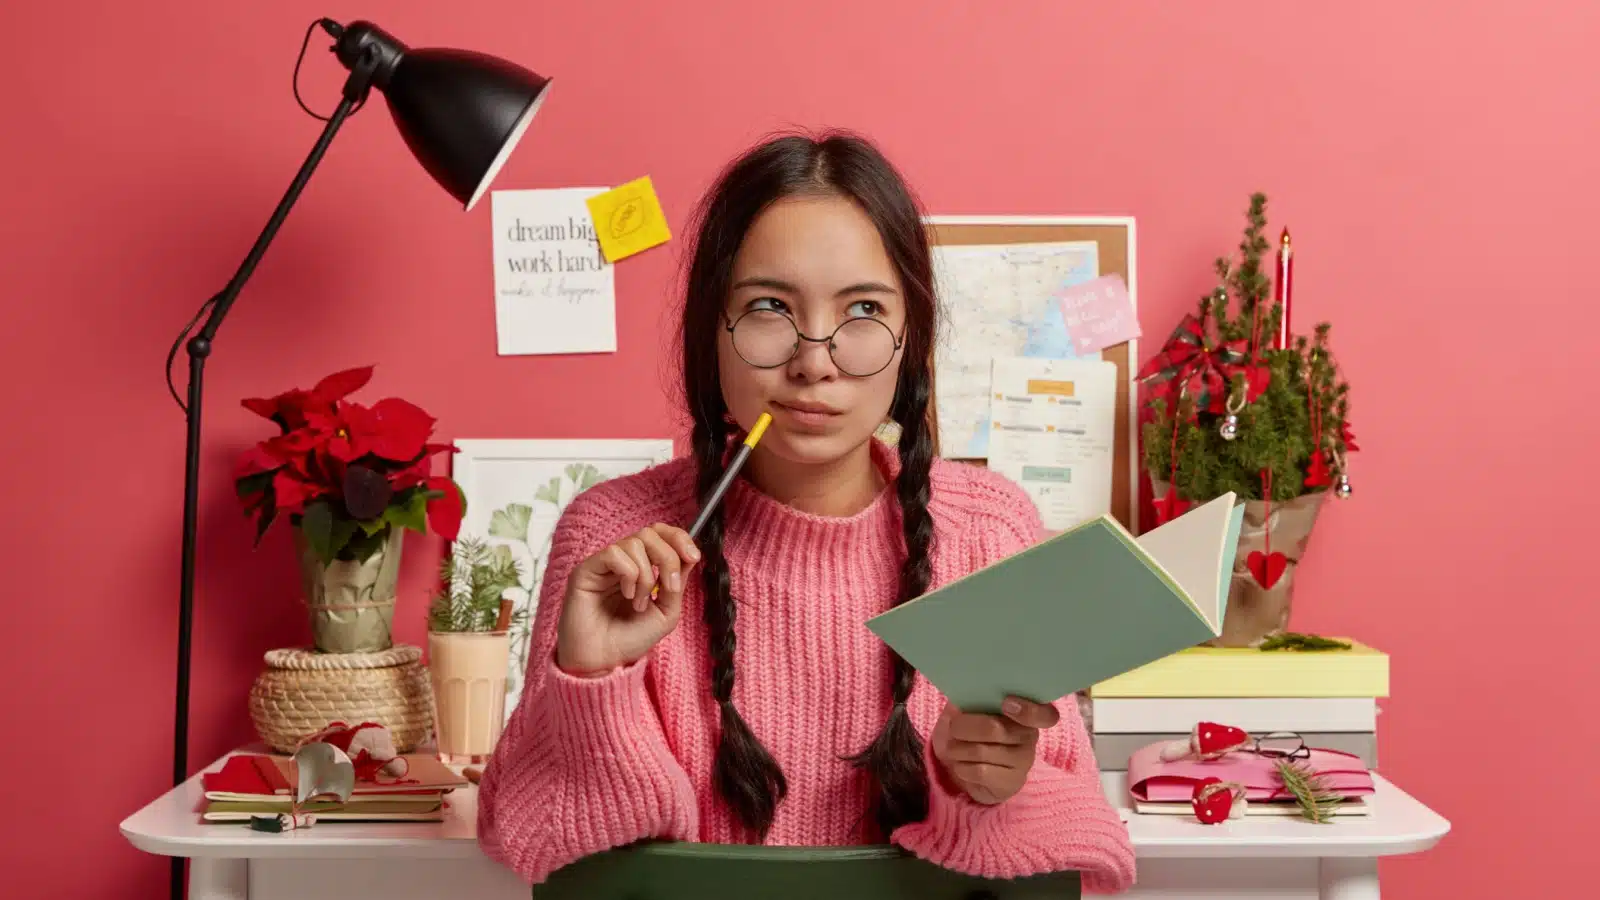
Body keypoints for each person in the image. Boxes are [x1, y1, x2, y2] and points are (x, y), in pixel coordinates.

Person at [476, 129, 1136, 894]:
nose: (814, 360)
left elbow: (1084, 861)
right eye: (768, 307)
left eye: (862, 309)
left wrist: (983, 790)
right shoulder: (612, 541)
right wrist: (595, 684)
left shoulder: (993, 532)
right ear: (709, 333)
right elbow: (539, 845)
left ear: (909, 337)